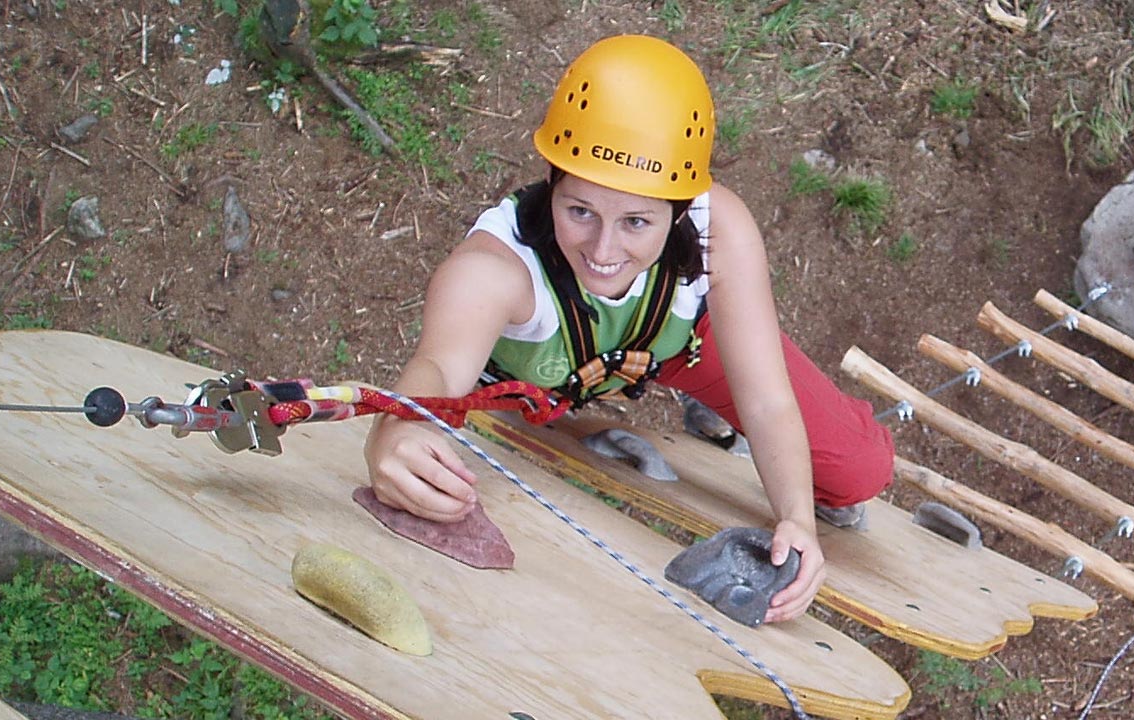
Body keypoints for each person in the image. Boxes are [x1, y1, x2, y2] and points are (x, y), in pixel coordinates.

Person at [362, 34, 894, 624]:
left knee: (859, 470)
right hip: (534, 376)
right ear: (552, 181)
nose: (603, 250)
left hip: (671, 342)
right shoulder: (495, 271)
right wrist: (397, 426)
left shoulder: (720, 230)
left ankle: (711, 413)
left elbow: (769, 400)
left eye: (637, 221)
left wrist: (795, 515)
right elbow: (437, 368)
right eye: (579, 211)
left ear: (681, 207)